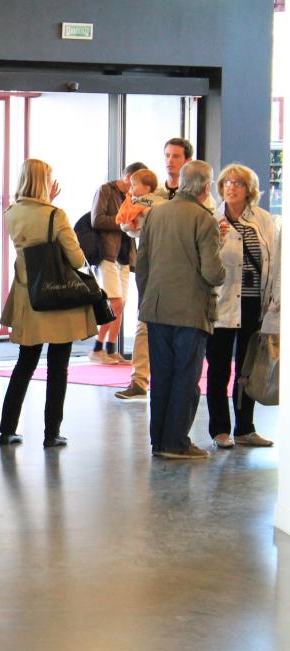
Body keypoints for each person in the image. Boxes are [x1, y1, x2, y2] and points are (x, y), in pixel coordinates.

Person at [0, 159, 96, 448]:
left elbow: (33, 233)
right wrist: (51, 207)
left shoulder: (11, 213)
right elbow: (76, 258)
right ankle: (51, 433)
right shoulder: (56, 215)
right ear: (44, 182)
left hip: (28, 298)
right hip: (57, 298)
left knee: (24, 364)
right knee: (57, 367)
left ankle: (7, 429)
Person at [136, 160, 225, 459]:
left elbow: (142, 265)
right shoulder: (205, 220)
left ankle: (160, 442)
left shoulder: (156, 213)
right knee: (185, 377)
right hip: (191, 311)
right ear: (206, 187)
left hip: (157, 308)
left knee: (161, 376)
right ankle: (176, 442)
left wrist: (146, 300)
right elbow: (212, 273)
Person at [115, 138, 207, 400]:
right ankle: (139, 381)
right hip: (154, 268)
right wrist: (134, 225)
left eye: (176, 156)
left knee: (181, 334)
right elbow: (129, 224)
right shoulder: (152, 193)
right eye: (167, 155)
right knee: (144, 323)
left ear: (187, 160)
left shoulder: (200, 196)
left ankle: (176, 386)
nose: (170, 161)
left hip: (186, 273)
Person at [206, 163, 278, 448]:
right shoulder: (212, 218)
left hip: (252, 304)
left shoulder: (263, 219)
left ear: (249, 190)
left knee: (248, 369)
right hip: (221, 303)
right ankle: (219, 430)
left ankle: (245, 428)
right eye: (227, 182)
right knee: (218, 367)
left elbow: (273, 261)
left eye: (238, 183)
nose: (231, 187)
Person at [88, 162, 147, 365]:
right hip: (107, 253)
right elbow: (97, 220)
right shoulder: (105, 190)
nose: (137, 187)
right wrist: (122, 221)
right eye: (137, 181)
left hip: (125, 254)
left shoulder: (133, 196)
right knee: (115, 303)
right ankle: (97, 348)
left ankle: (111, 349)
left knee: (121, 304)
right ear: (128, 177)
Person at [117, 168, 163, 239]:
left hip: (153, 234)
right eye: (131, 185)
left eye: (134, 185)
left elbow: (164, 211)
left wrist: (146, 211)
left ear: (147, 188)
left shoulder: (156, 200)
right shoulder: (130, 202)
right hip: (137, 235)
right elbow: (122, 218)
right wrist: (127, 226)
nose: (131, 187)